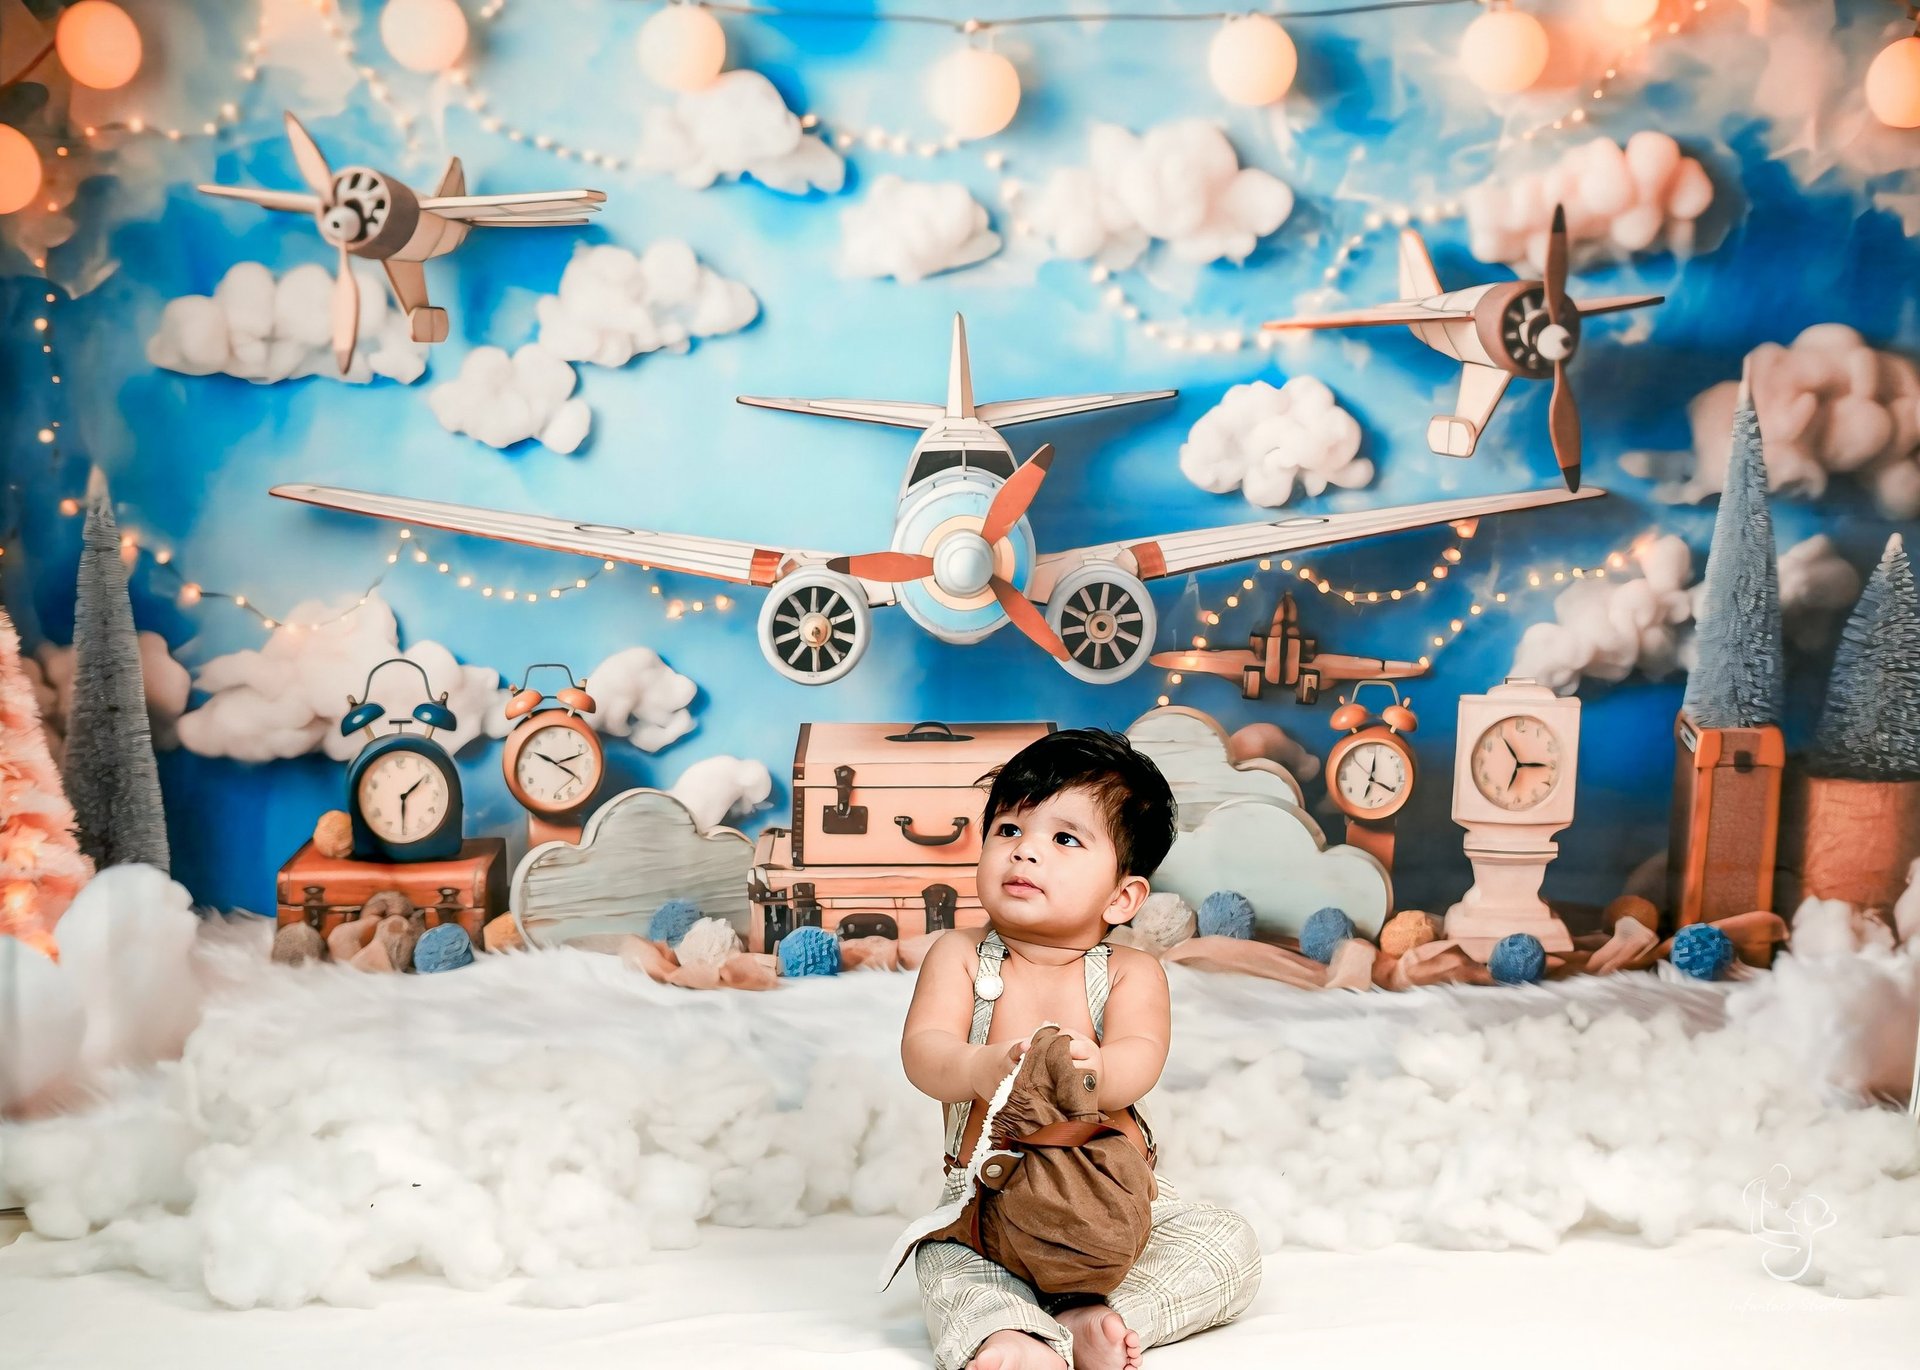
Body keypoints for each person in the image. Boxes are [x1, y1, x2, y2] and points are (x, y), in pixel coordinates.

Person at [895, 728, 1262, 1370]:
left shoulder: (1128, 973)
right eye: (1009, 830)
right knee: (942, 1263)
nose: (1025, 853)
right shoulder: (958, 957)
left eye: (1064, 839)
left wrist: (1100, 1070)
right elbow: (923, 1053)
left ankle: (1107, 1316)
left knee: (1229, 1244)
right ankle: (1008, 1333)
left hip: (1113, 1211)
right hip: (990, 1211)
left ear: (1122, 897)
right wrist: (977, 1066)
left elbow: (1139, 1061)